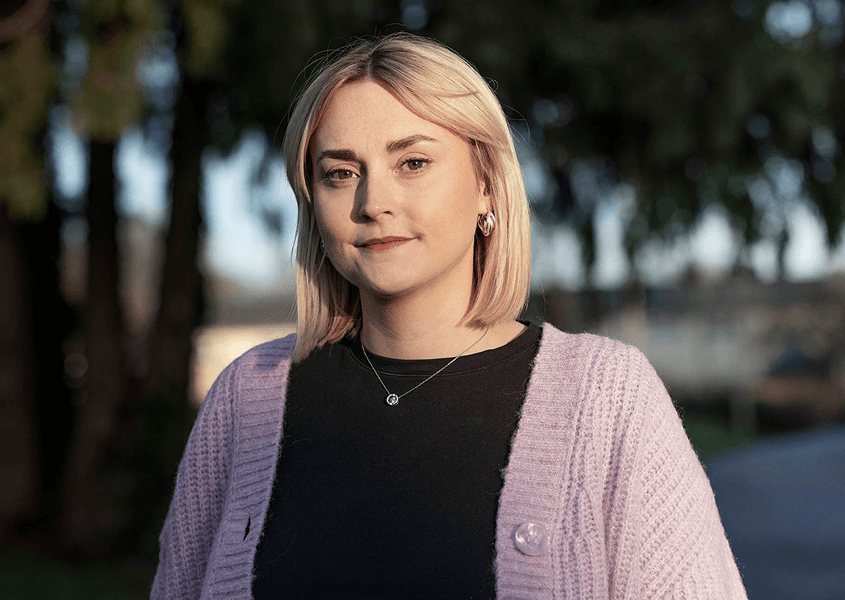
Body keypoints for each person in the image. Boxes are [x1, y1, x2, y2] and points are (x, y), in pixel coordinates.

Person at [151, 33, 747, 599]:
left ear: (487, 185)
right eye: (341, 173)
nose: (373, 202)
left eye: (412, 163)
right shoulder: (248, 398)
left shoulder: (608, 399)